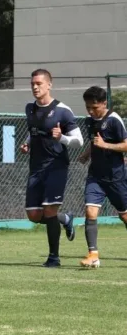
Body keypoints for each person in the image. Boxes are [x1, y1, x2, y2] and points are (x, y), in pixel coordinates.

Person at [20, 68, 83, 267]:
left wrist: (61, 138)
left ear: (49, 84)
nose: (35, 87)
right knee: (33, 215)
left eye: (39, 83)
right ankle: (65, 219)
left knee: (49, 211)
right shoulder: (29, 108)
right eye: (32, 84)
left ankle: (54, 257)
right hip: (36, 167)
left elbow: (79, 141)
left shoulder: (63, 110)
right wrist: (27, 142)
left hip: (56, 166)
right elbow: (34, 130)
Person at [78, 86, 127, 268]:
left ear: (104, 103)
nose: (91, 111)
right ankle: (93, 255)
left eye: (94, 107)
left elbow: (125, 145)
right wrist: (87, 153)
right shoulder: (89, 121)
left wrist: (106, 145)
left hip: (115, 177)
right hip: (95, 176)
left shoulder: (114, 120)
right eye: (88, 107)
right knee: (90, 211)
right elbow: (94, 141)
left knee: (124, 215)